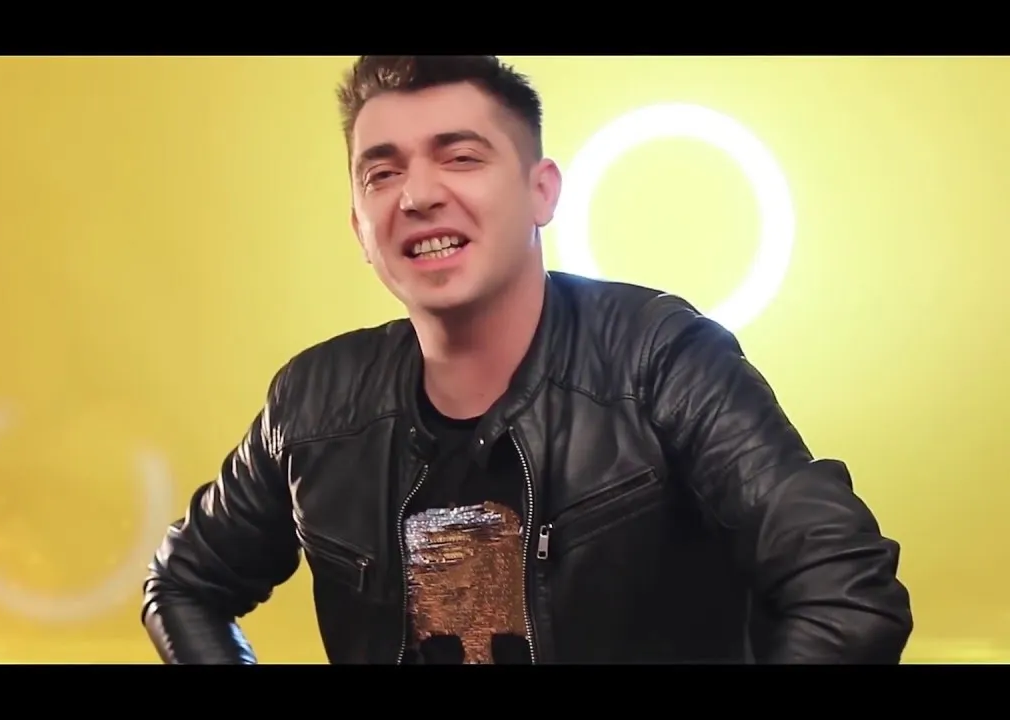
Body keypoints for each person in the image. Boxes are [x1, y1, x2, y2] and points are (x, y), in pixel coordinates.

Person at [141, 55, 913, 664]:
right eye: (383, 171)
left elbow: (847, 589)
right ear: (359, 226)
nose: (417, 195)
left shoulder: (659, 359)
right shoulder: (314, 404)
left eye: (459, 157)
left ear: (542, 191)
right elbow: (182, 586)